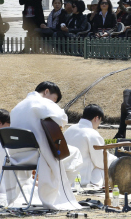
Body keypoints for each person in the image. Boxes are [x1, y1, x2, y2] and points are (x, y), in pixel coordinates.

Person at [7, 82, 81, 210]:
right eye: (54, 100)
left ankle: (52, 190)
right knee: (75, 154)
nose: (53, 103)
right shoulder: (40, 102)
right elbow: (62, 118)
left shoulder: (16, 107)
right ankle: (58, 194)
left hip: (15, 156)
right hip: (36, 155)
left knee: (65, 155)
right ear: (46, 91)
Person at [64, 104, 116, 186]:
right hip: (84, 178)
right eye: (100, 121)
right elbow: (101, 161)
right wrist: (116, 160)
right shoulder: (92, 133)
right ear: (96, 118)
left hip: (66, 176)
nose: (98, 125)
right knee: (105, 170)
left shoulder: (69, 129)